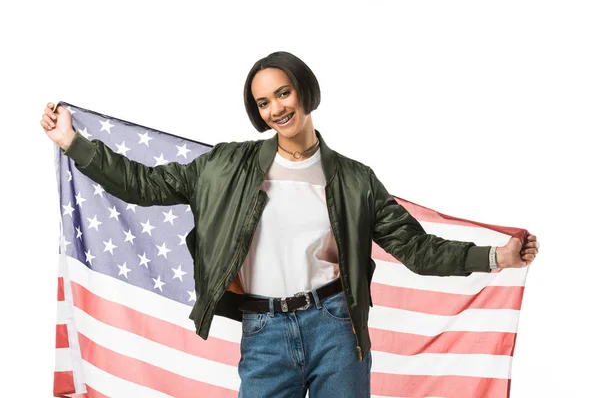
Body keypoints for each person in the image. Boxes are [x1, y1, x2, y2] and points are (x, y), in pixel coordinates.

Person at [40, 51, 539, 398]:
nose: (277, 108)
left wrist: (497, 256)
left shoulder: (353, 179)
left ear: (304, 92)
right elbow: (143, 185)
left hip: (336, 329)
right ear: (257, 112)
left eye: (283, 93)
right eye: (264, 102)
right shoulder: (225, 166)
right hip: (265, 332)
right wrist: (74, 143)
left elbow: (418, 249)